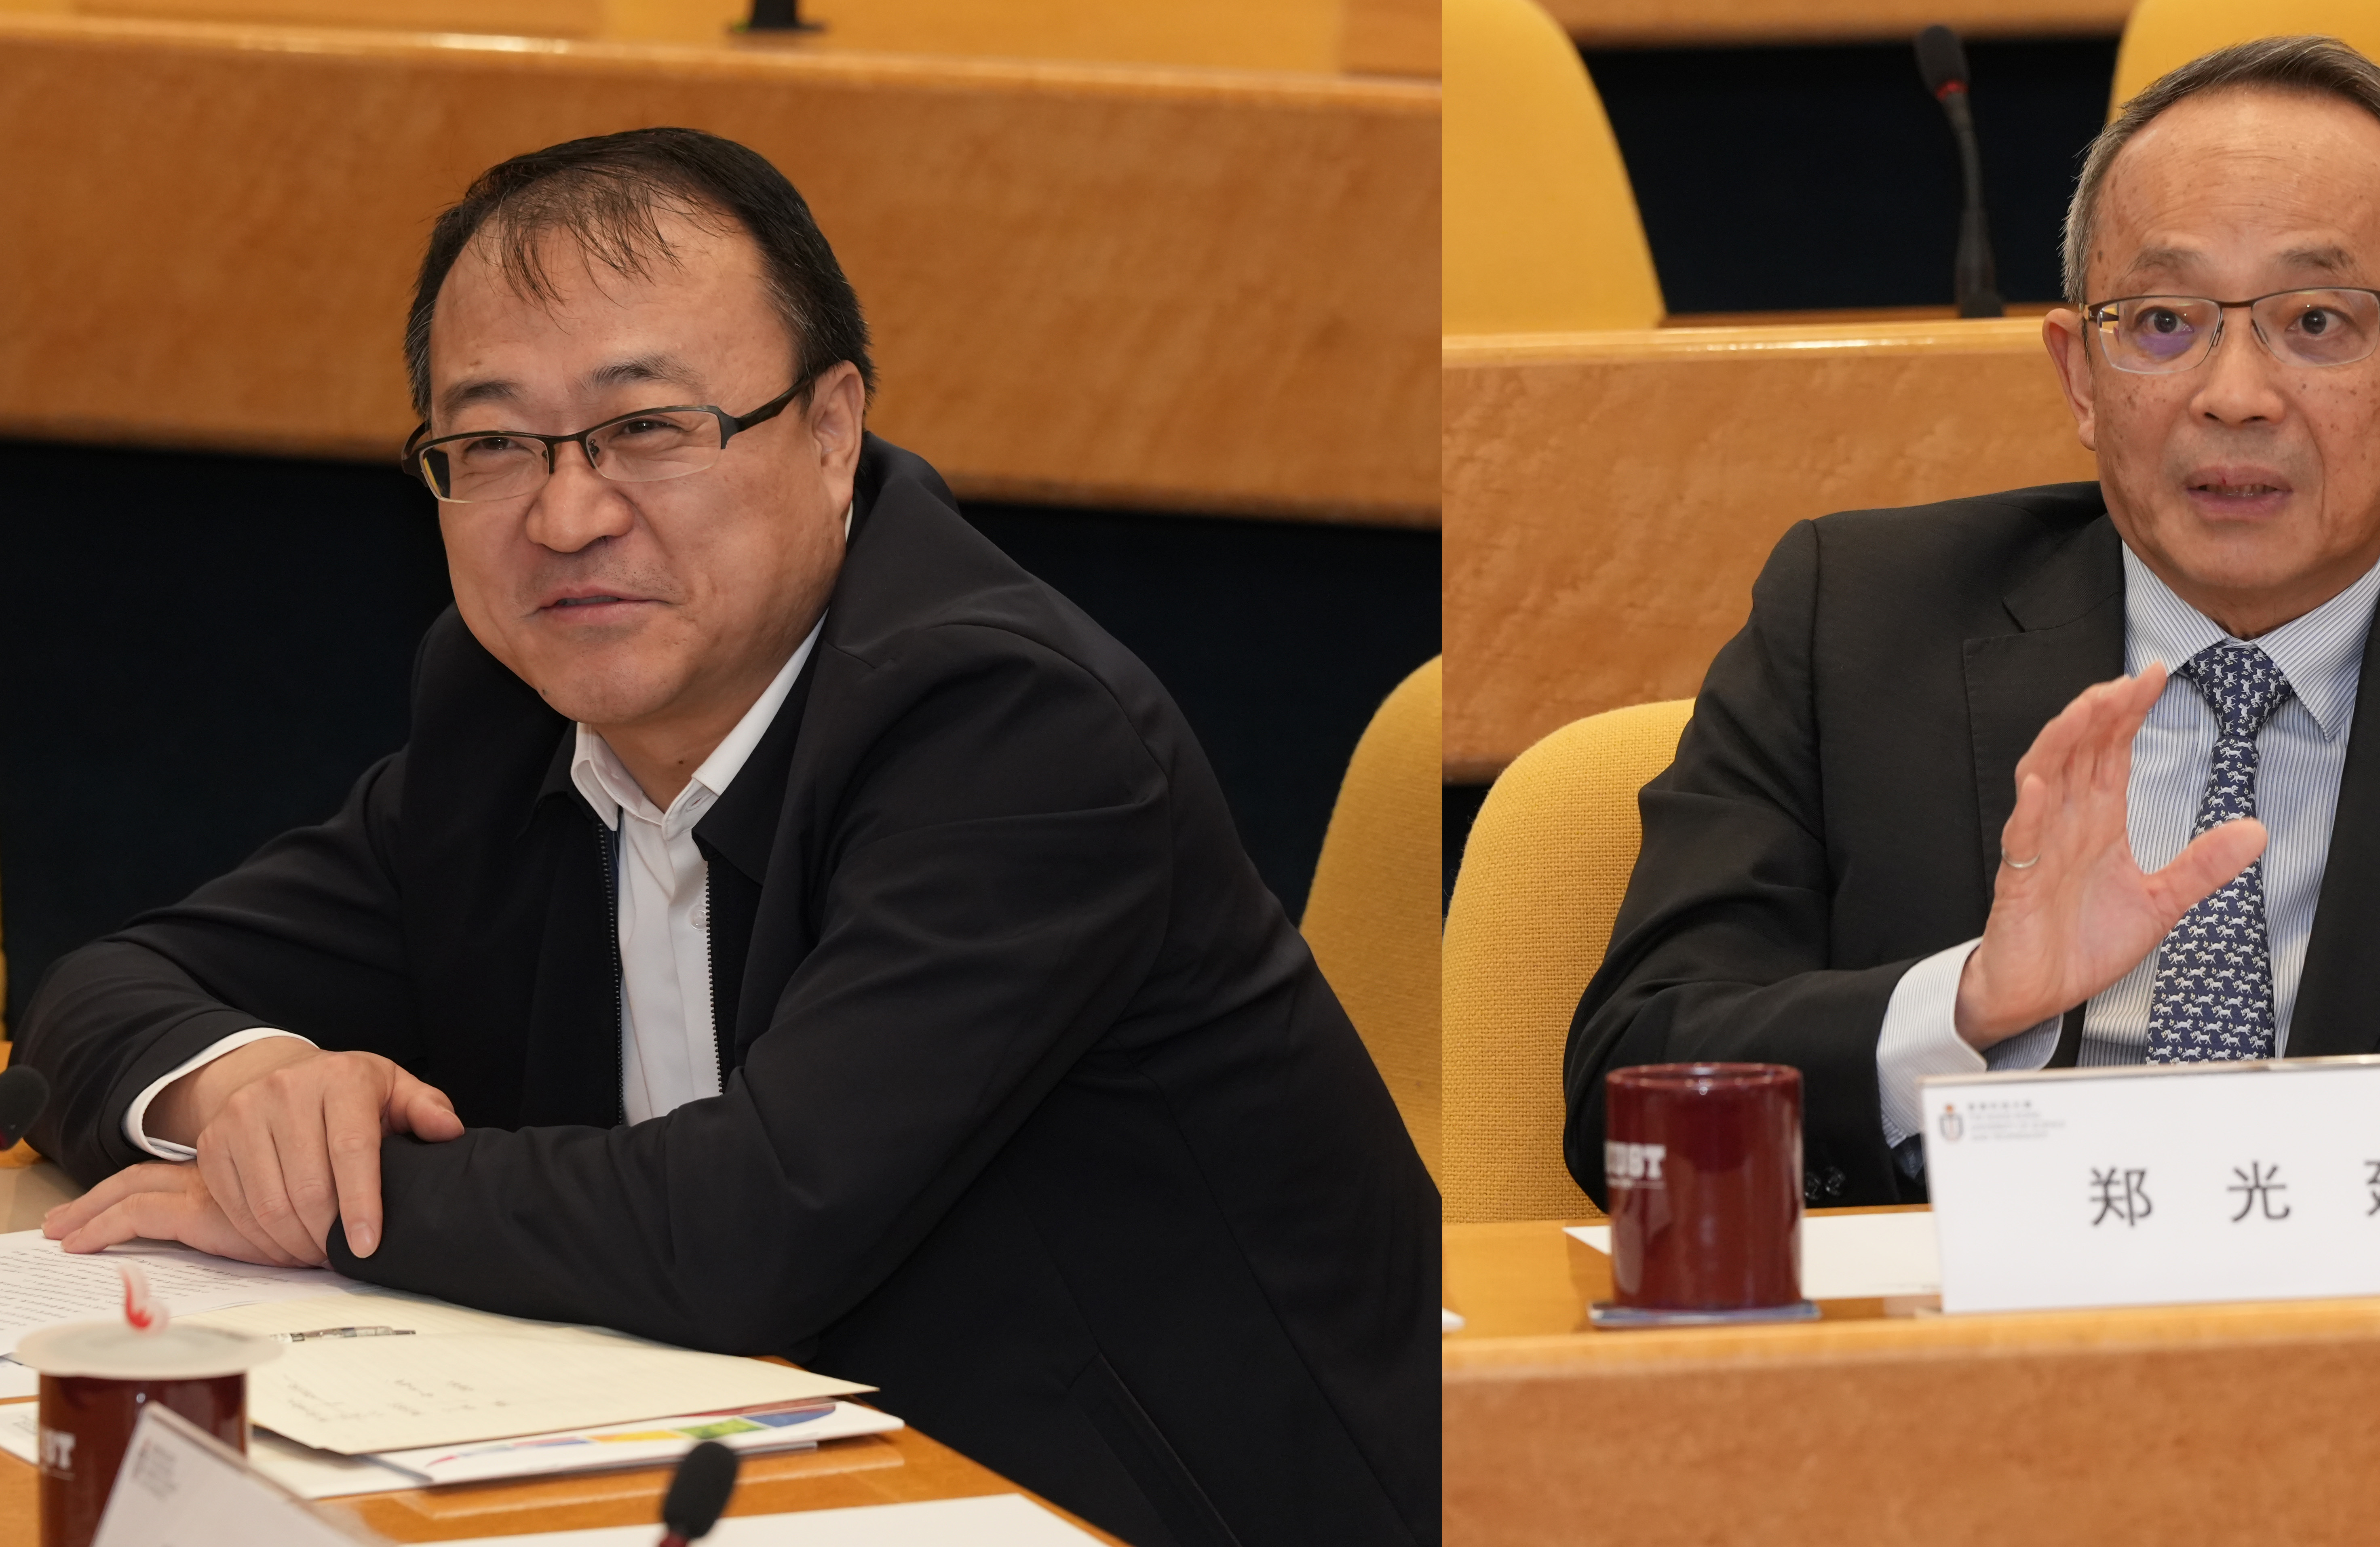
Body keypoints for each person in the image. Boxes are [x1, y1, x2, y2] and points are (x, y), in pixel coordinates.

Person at [21, 127, 1436, 1547]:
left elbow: (748, 1229)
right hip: (753, 1486)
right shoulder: (509, 706)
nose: (569, 516)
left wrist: (323, 1199)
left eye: (647, 429)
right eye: (495, 446)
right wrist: (251, 1090)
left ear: (832, 433)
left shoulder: (1010, 730)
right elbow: (101, 993)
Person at [1565, 36, 2380, 1209]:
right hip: (1949, 1368)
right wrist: (1970, 1003)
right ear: (2080, 375)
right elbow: (1633, 1084)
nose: (2234, 395)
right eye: (2164, 322)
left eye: (2318, 321)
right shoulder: (1856, 625)